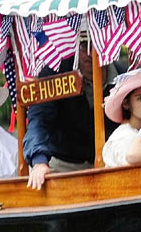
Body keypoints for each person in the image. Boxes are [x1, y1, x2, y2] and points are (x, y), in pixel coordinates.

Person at [24, 36, 119, 190]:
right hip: (63, 165)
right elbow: (39, 120)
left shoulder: (123, 77)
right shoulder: (55, 73)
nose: (90, 52)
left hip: (110, 165)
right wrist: (39, 161)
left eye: (97, 44)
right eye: (84, 45)